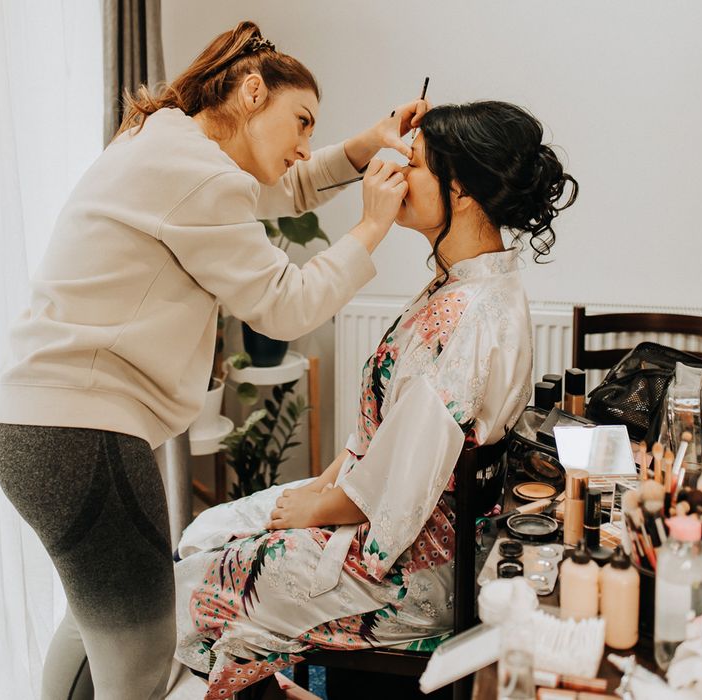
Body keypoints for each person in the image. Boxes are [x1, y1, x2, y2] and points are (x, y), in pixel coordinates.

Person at [0, 20, 427, 700]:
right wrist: (371, 224)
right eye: (301, 122)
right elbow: (286, 305)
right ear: (252, 92)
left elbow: (290, 186)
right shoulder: (198, 177)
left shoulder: (168, 141)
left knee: (94, 632)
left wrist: (367, 144)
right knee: (138, 674)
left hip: (40, 430)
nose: (305, 146)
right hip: (81, 437)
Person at [173, 100, 578, 698]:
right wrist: (320, 487)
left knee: (191, 585)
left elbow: (399, 487)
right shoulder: (473, 280)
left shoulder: (467, 319)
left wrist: (318, 507)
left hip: (406, 567)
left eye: (413, 162)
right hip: (381, 509)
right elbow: (382, 433)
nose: (393, 171)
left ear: (460, 190)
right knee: (207, 529)